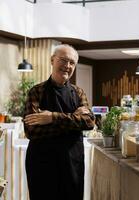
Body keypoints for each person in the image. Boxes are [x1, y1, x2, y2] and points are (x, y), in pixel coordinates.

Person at [23, 44, 95, 200]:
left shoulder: (78, 92)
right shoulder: (36, 91)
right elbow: (32, 131)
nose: (67, 66)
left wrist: (51, 118)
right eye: (63, 60)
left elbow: (89, 122)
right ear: (52, 60)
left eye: (72, 63)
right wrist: (73, 121)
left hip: (72, 162)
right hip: (42, 163)